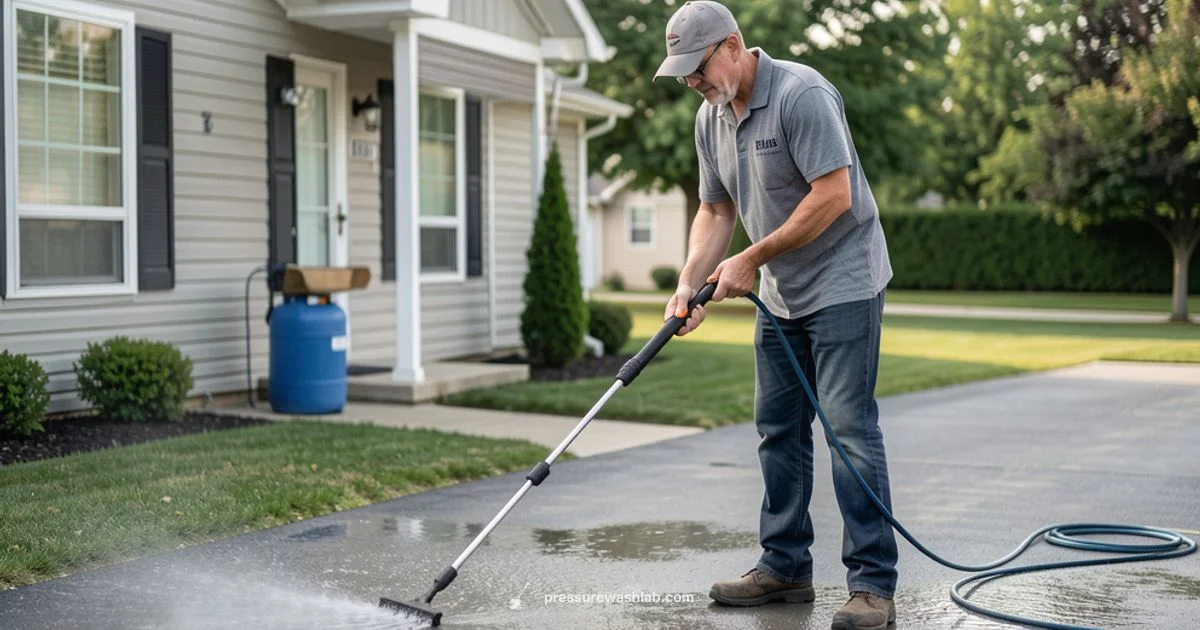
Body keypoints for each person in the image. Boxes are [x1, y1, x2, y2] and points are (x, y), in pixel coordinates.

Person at [652, 2, 899, 629]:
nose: (692, 82)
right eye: (682, 73)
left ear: (733, 46)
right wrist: (689, 282)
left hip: (844, 281)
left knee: (847, 432)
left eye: (698, 67)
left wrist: (751, 259)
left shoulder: (802, 94)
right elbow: (714, 212)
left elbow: (834, 195)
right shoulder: (711, 119)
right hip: (783, 294)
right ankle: (785, 566)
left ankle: (872, 585)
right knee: (778, 430)